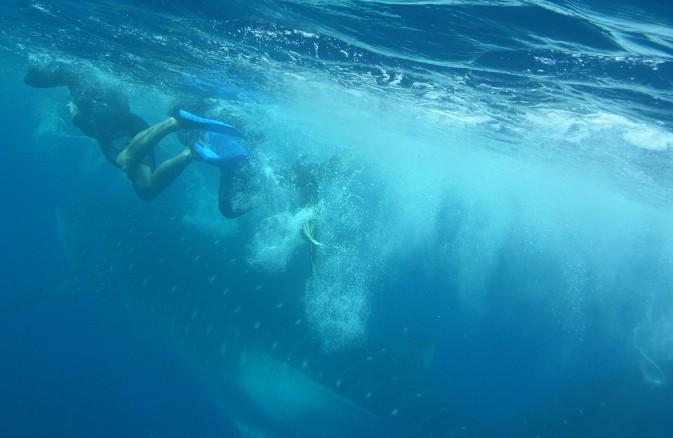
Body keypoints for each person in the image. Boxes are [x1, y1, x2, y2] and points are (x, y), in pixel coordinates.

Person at [24, 62, 239, 201]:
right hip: (135, 127)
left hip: (115, 127)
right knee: (146, 190)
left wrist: (75, 116)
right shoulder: (97, 71)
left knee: (125, 160)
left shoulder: (74, 75)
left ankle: (175, 123)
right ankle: (191, 152)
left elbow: (31, 79)